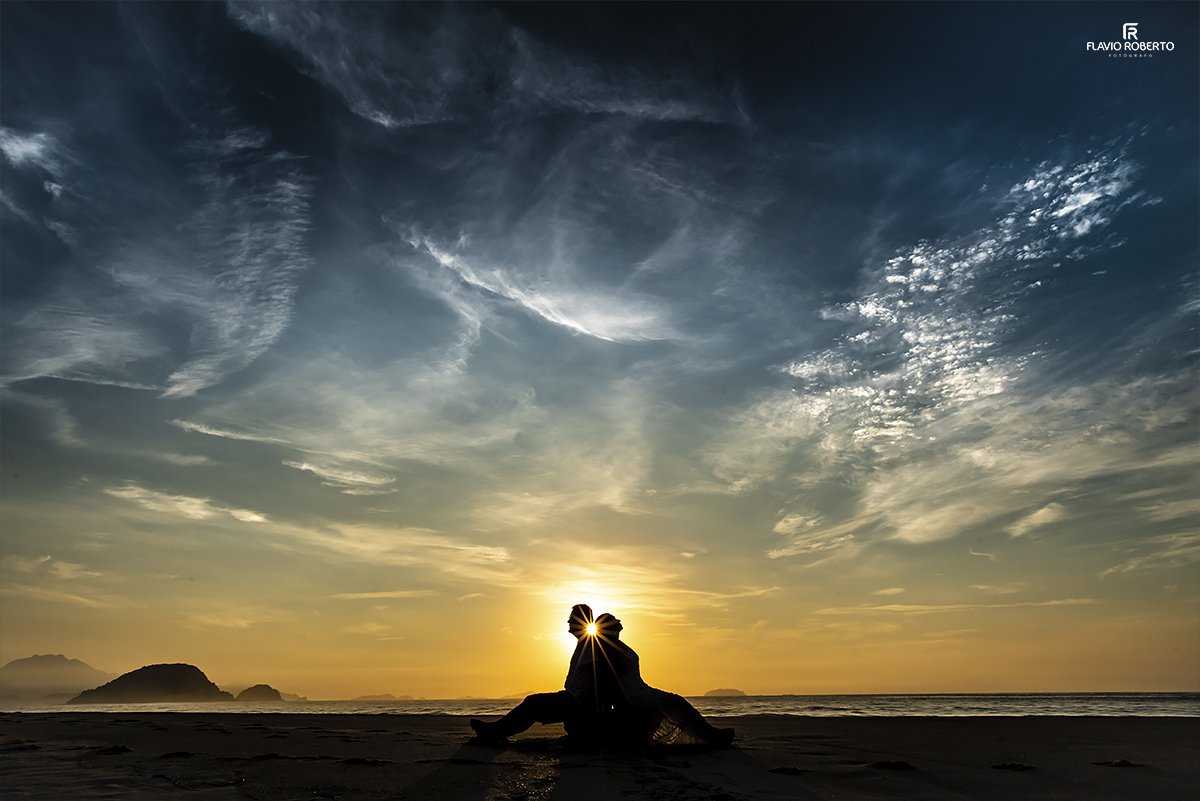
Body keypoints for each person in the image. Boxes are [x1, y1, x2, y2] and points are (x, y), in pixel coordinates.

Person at [469, 604, 623, 744]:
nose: (568, 622)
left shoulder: (590, 644)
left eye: (571, 618)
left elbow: (601, 673)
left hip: (578, 701)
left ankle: (494, 732)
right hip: (576, 698)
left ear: (581, 621)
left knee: (533, 703)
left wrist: (597, 705)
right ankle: (495, 731)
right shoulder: (585, 643)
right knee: (533, 705)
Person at [592, 613, 735, 748]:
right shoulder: (609, 648)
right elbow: (609, 678)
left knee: (676, 704)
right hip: (633, 695)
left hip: (638, 691)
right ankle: (712, 736)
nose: (620, 627)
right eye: (616, 625)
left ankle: (711, 735)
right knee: (676, 702)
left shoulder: (615, 645)